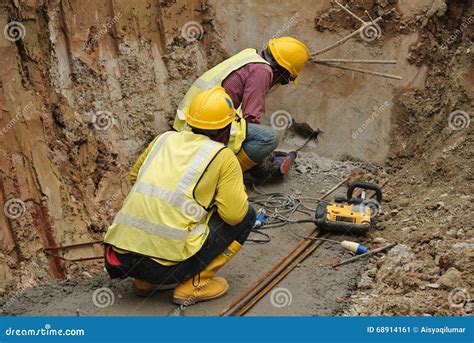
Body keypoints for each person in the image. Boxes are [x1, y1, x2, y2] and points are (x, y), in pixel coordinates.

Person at [104, 87, 256, 305]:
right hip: (164, 268)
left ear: (190, 121)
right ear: (227, 128)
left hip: (119, 260)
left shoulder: (163, 139)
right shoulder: (223, 156)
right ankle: (194, 284)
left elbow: (135, 178)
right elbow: (234, 215)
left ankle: (143, 282)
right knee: (247, 214)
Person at [173, 37, 310, 179]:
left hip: (188, 122)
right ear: (282, 70)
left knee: (257, 141)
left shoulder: (250, 55)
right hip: (209, 127)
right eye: (284, 79)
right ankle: (222, 176)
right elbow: (250, 117)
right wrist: (262, 153)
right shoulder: (262, 71)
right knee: (269, 138)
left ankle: (256, 167)